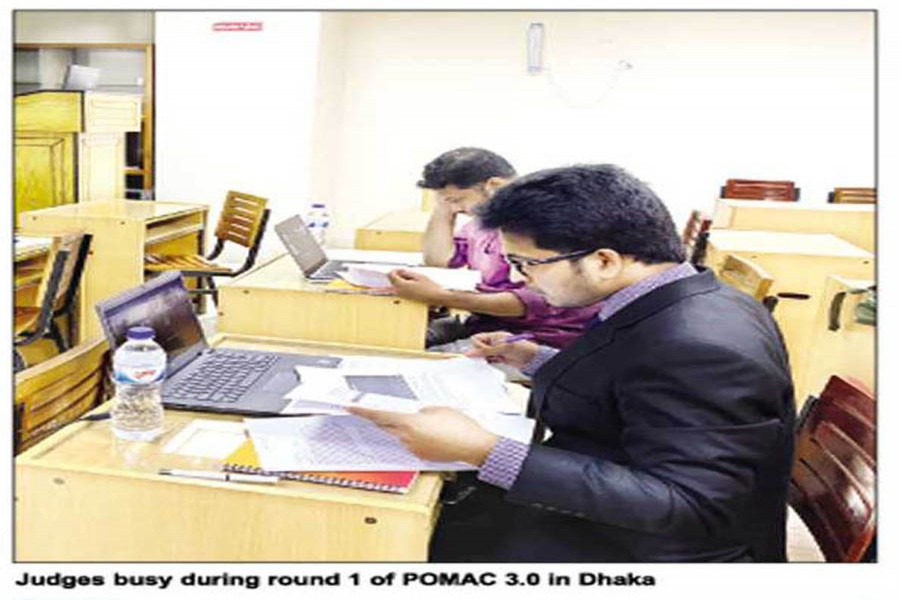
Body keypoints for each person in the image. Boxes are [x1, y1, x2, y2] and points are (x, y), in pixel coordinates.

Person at [351, 164, 796, 562]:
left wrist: (482, 450)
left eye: (527, 263)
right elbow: (636, 384)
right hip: (614, 506)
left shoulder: (698, 348)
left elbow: (690, 504)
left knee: (399, 540)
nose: (521, 278)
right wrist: (536, 358)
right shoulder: (677, 296)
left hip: (648, 551)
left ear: (604, 261)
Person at [388, 147, 600, 349]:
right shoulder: (480, 224)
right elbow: (439, 260)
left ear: (495, 186)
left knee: (420, 358)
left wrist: (441, 297)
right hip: (486, 322)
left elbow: (537, 301)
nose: (455, 208)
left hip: (541, 335)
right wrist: (443, 208)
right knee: (395, 336)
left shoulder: (544, 222)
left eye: (457, 199)